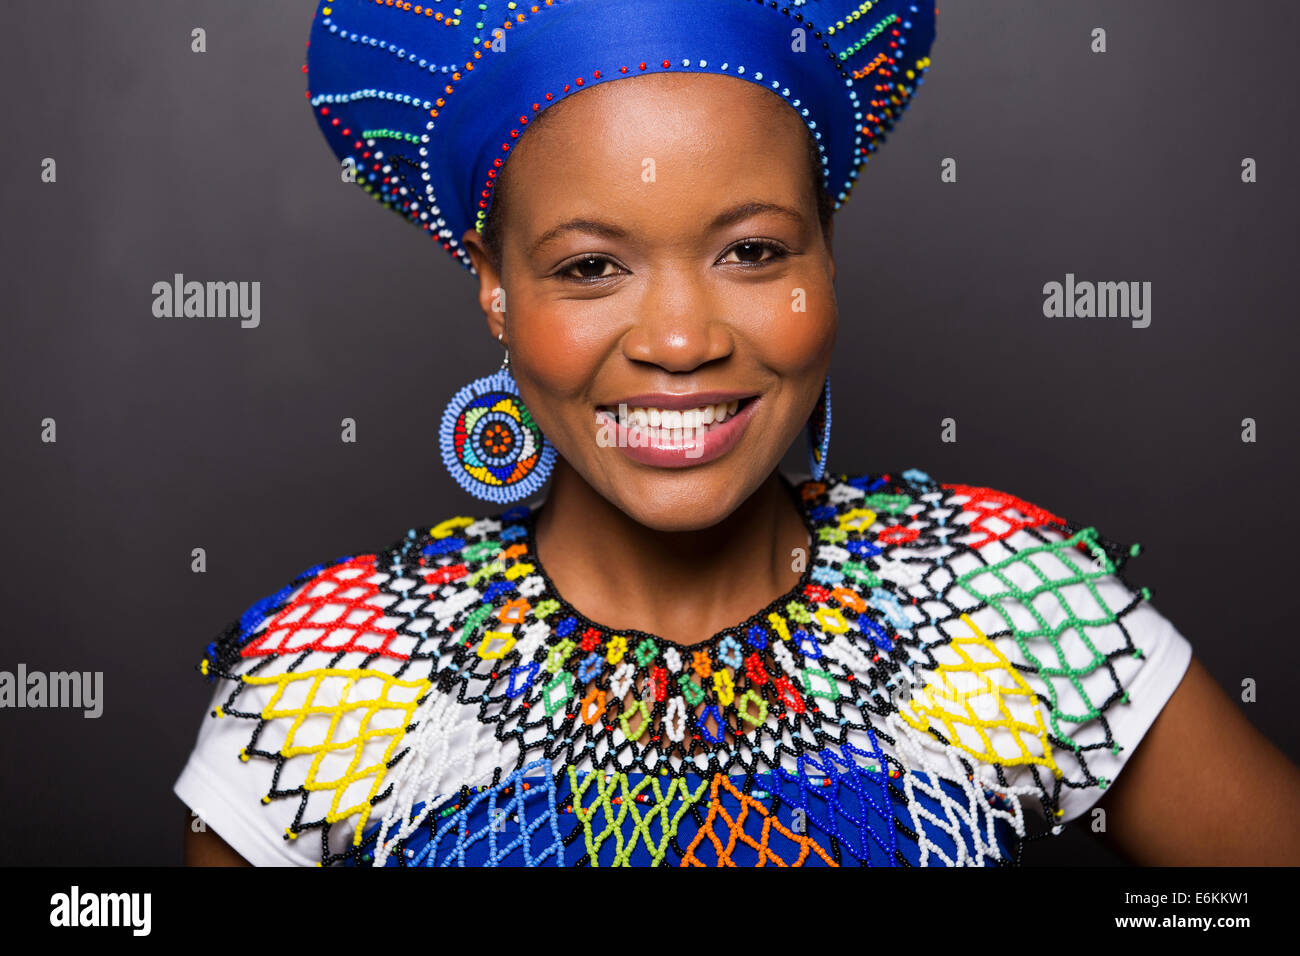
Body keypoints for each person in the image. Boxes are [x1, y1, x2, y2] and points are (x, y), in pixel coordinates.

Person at [176, 0, 1300, 866]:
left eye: (753, 251)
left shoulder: (999, 595)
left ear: (825, 255)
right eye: (589, 266)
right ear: (496, 292)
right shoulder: (335, 671)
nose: (678, 338)